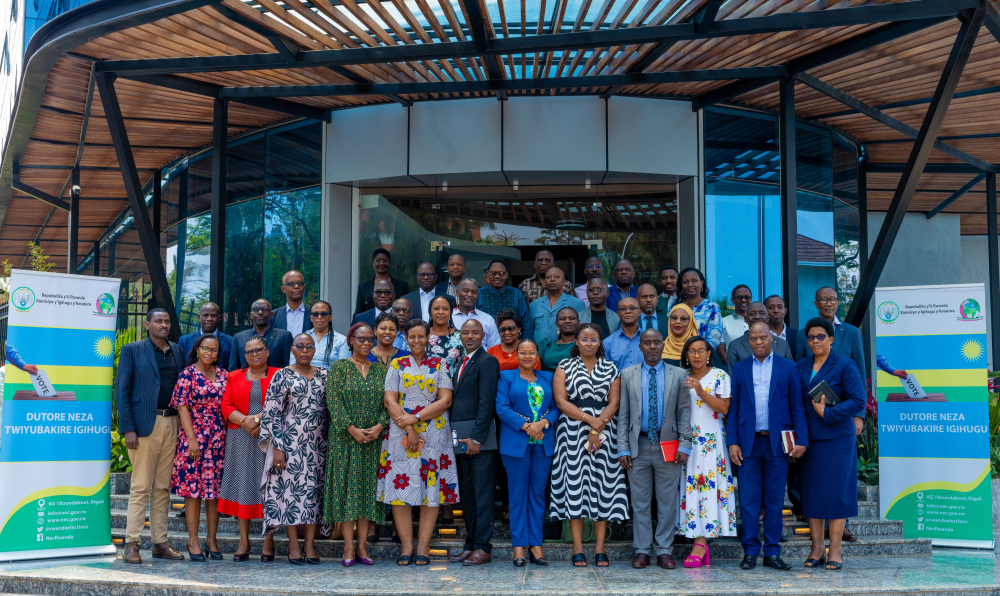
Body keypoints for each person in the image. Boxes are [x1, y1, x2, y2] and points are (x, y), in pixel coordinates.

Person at [727, 322, 808, 571]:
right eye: (754, 338)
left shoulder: (788, 367)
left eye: (763, 337)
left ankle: (772, 552)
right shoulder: (740, 369)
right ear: (748, 341)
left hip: (777, 444)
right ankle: (750, 551)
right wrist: (732, 442)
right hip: (748, 443)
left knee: (774, 500)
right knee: (749, 501)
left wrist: (802, 440)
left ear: (772, 338)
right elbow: (733, 410)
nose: (759, 342)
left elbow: (798, 407)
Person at [378, 318, 459, 566]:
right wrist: (410, 427)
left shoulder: (440, 363)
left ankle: (423, 546)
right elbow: (390, 401)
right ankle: (406, 546)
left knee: (429, 489)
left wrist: (416, 417)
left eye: (420, 337)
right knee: (401, 489)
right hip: (401, 431)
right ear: (406, 338)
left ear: (428, 338)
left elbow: (445, 400)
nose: (416, 341)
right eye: (411, 337)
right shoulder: (397, 364)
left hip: (434, 432)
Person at [550, 324, 628, 567]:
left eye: (593, 339)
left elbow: (614, 402)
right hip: (572, 432)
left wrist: (596, 427)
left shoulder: (611, 367)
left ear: (599, 342)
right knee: (576, 487)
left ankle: (601, 548)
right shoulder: (565, 366)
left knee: (601, 487)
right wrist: (589, 420)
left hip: (604, 432)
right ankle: (577, 547)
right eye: (583, 339)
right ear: (576, 342)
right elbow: (561, 402)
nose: (588, 343)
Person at [793, 287, 865, 545]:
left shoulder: (845, 365)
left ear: (831, 339)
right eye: (811, 337)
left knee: (837, 495)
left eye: (821, 336)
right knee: (811, 495)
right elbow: (796, 404)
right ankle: (816, 549)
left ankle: (835, 550)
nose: (815, 341)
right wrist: (798, 438)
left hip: (837, 438)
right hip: (810, 440)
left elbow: (858, 399)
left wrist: (830, 412)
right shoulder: (800, 367)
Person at [616, 329, 690, 570]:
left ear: (663, 344)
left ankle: (665, 550)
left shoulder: (678, 374)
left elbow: (684, 412)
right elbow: (623, 415)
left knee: (667, 501)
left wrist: (685, 444)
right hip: (638, 445)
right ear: (640, 347)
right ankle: (641, 550)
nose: (652, 347)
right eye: (647, 343)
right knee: (640, 502)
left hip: (668, 446)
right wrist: (623, 449)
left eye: (656, 342)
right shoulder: (627, 374)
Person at [116, 309, 185, 564]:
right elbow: (122, 391)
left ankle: (160, 543)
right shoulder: (133, 350)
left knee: (163, 489)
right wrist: (129, 429)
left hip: (172, 423)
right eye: (158, 321)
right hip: (145, 426)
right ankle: (132, 544)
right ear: (148, 324)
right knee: (141, 487)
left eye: (167, 321)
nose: (163, 325)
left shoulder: (176, 350)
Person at [259, 333, 329, 565]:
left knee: (312, 497)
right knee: (290, 496)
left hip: (318, 447)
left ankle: (310, 544)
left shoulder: (324, 375)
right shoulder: (282, 375)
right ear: (292, 349)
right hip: (289, 446)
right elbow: (272, 413)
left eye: (309, 346)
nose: (305, 350)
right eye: (300, 346)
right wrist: (278, 447)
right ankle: (292, 545)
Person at [324, 323, 389, 567]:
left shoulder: (381, 371)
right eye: (360, 339)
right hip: (344, 439)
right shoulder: (340, 367)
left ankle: (362, 546)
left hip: (372, 440)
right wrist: (352, 430)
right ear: (351, 341)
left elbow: (390, 402)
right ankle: (348, 546)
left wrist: (380, 426)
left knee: (366, 494)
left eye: (369, 339)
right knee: (347, 491)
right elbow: (333, 400)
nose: (365, 343)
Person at [496, 339, 558, 567]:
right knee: (517, 495)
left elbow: (556, 407)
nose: (528, 356)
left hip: (543, 443)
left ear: (537, 355)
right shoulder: (506, 377)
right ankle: (519, 546)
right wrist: (527, 427)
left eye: (532, 352)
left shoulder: (548, 378)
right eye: (523, 352)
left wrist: (542, 424)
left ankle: (536, 543)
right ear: (517, 355)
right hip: (516, 444)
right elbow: (501, 407)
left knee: (538, 495)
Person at [677, 336, 737, 567]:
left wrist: (701, 391)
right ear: (686, 355)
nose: (697, 355)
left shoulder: (721, 376)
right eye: (691, 351)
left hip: (711, 443)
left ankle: (700, 544)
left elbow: (724, 408)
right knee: (691, 490)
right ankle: (697, 540)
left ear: (709, 353)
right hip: (687, 443)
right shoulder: (681, 377)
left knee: (707, 490)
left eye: (701, 350)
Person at [169, 334, 228, 561]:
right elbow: (182, 408)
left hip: (219, 439)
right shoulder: (188, 374)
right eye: (205, 349)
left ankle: (211, 540)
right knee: (193, 492)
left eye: (214, 350)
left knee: (214, 493)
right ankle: (192, 540)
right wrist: (192, 439)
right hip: (194, 438)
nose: (209, 353)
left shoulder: (223, 374)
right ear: (197, 349)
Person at [219, 336, 278, 562]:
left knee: (268, 486)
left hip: (270, 437)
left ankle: (268, 540)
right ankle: (244, 541)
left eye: (258, 350)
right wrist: (246, 421)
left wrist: (257, 420)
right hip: (240, 437)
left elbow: (280, 402)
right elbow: (225, 405)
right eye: (249, 352)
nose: (254, 354)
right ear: (244, 355)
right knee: (244, 485)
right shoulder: (233, 376)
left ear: (267, 352)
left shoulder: (277, 374)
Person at [447, 320, 501, 566]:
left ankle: (483, 547)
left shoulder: (488, 361)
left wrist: (477, 437)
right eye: (465, 332)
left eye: (475, 332)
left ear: (484, 335)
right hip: (459, 439)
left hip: (477, 440)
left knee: (483, 494)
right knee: (467, 495)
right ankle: (470, 544)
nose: (470, 336)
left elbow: (486, 402)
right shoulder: (461, 361)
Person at [676, 268, 726, 363]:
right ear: (681, 285)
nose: (690, 284)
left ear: (701, 283)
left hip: (702, 361)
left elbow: (714, 338)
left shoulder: (712, 308)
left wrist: (696, 354)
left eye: (694, 281)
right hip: (677, 360)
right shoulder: (676, 307)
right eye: (686, 282)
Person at [477, 260, 534, 340]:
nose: (497, 276)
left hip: (513, 345)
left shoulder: (516, 293)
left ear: (506, 275)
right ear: (488, 274)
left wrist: (524, 345)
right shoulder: (479, 293)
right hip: (486, 345)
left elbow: (526, 324)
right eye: (493, 273)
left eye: (501, 273)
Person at [230, 299, 294, 370]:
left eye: (265, 309)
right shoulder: (238, 338)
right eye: (256, 309)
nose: (260, 312)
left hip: (275, 380)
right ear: (251, 315)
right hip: (246, 380)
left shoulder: (284, 336)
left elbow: (287, 366)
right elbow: (233, 368)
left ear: (271, 314)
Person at [529, 267, 586, 343]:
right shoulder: (534, 305)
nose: (552, 279)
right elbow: (529, 332)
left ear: (564, 281)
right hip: (539, 352)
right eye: (548, 277)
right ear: (545, 282)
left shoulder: (577, 303)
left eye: (557, 277)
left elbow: (582, 331)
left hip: (567, 351)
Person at [727, 301, 793, 366]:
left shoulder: (783, 345)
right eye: (752, 314)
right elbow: (732, 375)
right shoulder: (735, 346)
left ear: (767, 318)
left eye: (761, 313)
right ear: (745, 319)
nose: (757, 317)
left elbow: (790, 373)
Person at [178, 302, 233, 371]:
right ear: (199, 317)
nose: (209, 318)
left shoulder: (230, 341)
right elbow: (180, 368)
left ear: (219, 318)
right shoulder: (184, 341)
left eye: (213, 315)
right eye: (205, 315)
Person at [355, 248, 409, 316]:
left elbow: (406, 309)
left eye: (385, 260)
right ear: (373, 263)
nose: (381, 263)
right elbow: (358, 313)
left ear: (389, 263)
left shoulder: (401, 285)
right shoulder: (363, 287)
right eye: (378, 260)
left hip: (394, 324)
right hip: (369, 324)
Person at [451, 279, 501, 349]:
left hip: (482, 360)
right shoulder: (449, 317)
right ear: (457, 292)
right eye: (466, 291)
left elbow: (495, 349)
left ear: (477, 295)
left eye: (473, 292)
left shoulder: (488, 319)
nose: (469, 295)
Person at [426, 295, 465, 373]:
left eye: (445, 309)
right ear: (430, 312)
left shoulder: (460, 337)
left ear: (450, 312)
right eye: (436, 308)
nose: (441, 312)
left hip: (452, 383)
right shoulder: (421, 336)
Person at [604, 298, 644, 372]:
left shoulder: (649, 340)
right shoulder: (608, 343)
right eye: (623, 309)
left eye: (632, 308)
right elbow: (605, 373)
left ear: (640, 312)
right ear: (618, 314)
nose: (628, 311)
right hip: (618, 383)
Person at [306, 300, 349, 369]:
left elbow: (343, 370)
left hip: (331, 379)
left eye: (324, 314)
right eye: (315, 314)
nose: (319, 317)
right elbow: (294, 365)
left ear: (330, 317)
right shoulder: (302, 338)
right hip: (304, 378)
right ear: (311, 318)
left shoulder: (342, 340)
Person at [537, 307, 580, 372]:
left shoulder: (582, 345)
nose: (567, 321)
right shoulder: (545, 346)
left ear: (578, 322)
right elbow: (538, 371)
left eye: (572, 318)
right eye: (563, 319)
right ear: (557, 324)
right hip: (547, 381)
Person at [272, 270, 312, 336]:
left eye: (300, 283)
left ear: (304, 287)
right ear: (283, 289)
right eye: (291, 284)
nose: (296, 286)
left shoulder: (314, 315)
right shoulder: (273, 316)